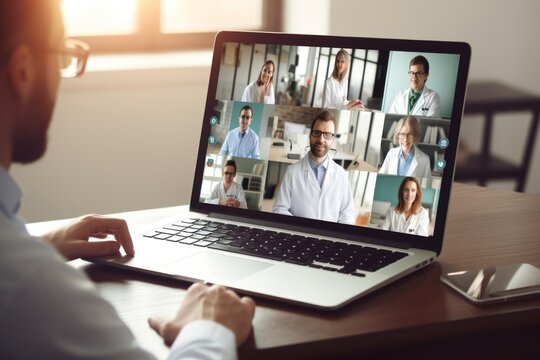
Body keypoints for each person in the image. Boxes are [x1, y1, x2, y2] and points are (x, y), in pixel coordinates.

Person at [0, 1, 255, 359]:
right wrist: (210, 327)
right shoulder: (28, 285)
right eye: (60, 54)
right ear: (23, 70)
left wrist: (39, 246)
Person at [272, 110, 355, 224]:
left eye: (327, 135)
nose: (321, 140)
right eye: (317, 133)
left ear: (333, 139)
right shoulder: (292, 172)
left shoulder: (341, 175)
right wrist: (300, 228)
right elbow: (279, 209)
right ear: (310, 135)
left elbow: (347, 214)